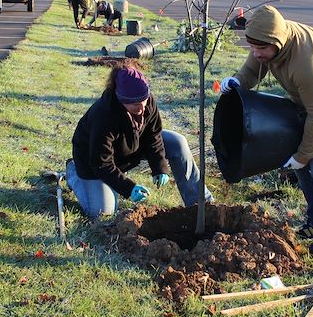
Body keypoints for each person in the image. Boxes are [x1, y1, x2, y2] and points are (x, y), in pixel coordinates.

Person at [219, 5, 313, 257]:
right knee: (299, 159)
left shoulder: (306, 62)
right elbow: (251, 70)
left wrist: (303, 156)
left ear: (277, 43)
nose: (255, 53)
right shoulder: (267, 39)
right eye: (252, 47)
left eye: (261, 49)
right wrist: (237, 81)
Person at [67, 62, 214, 219]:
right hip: (94, 163)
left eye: (144, 101)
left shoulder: (145, 100)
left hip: (129, 148)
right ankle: (72, 172)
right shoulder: (103, 115)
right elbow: (101, 163)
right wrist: (128, 188)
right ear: (121, 100)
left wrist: (159, 167)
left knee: (177, 142)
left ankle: (201, 203)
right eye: (136, 104)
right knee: (103, 213)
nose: (143, 108)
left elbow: (153, 135)